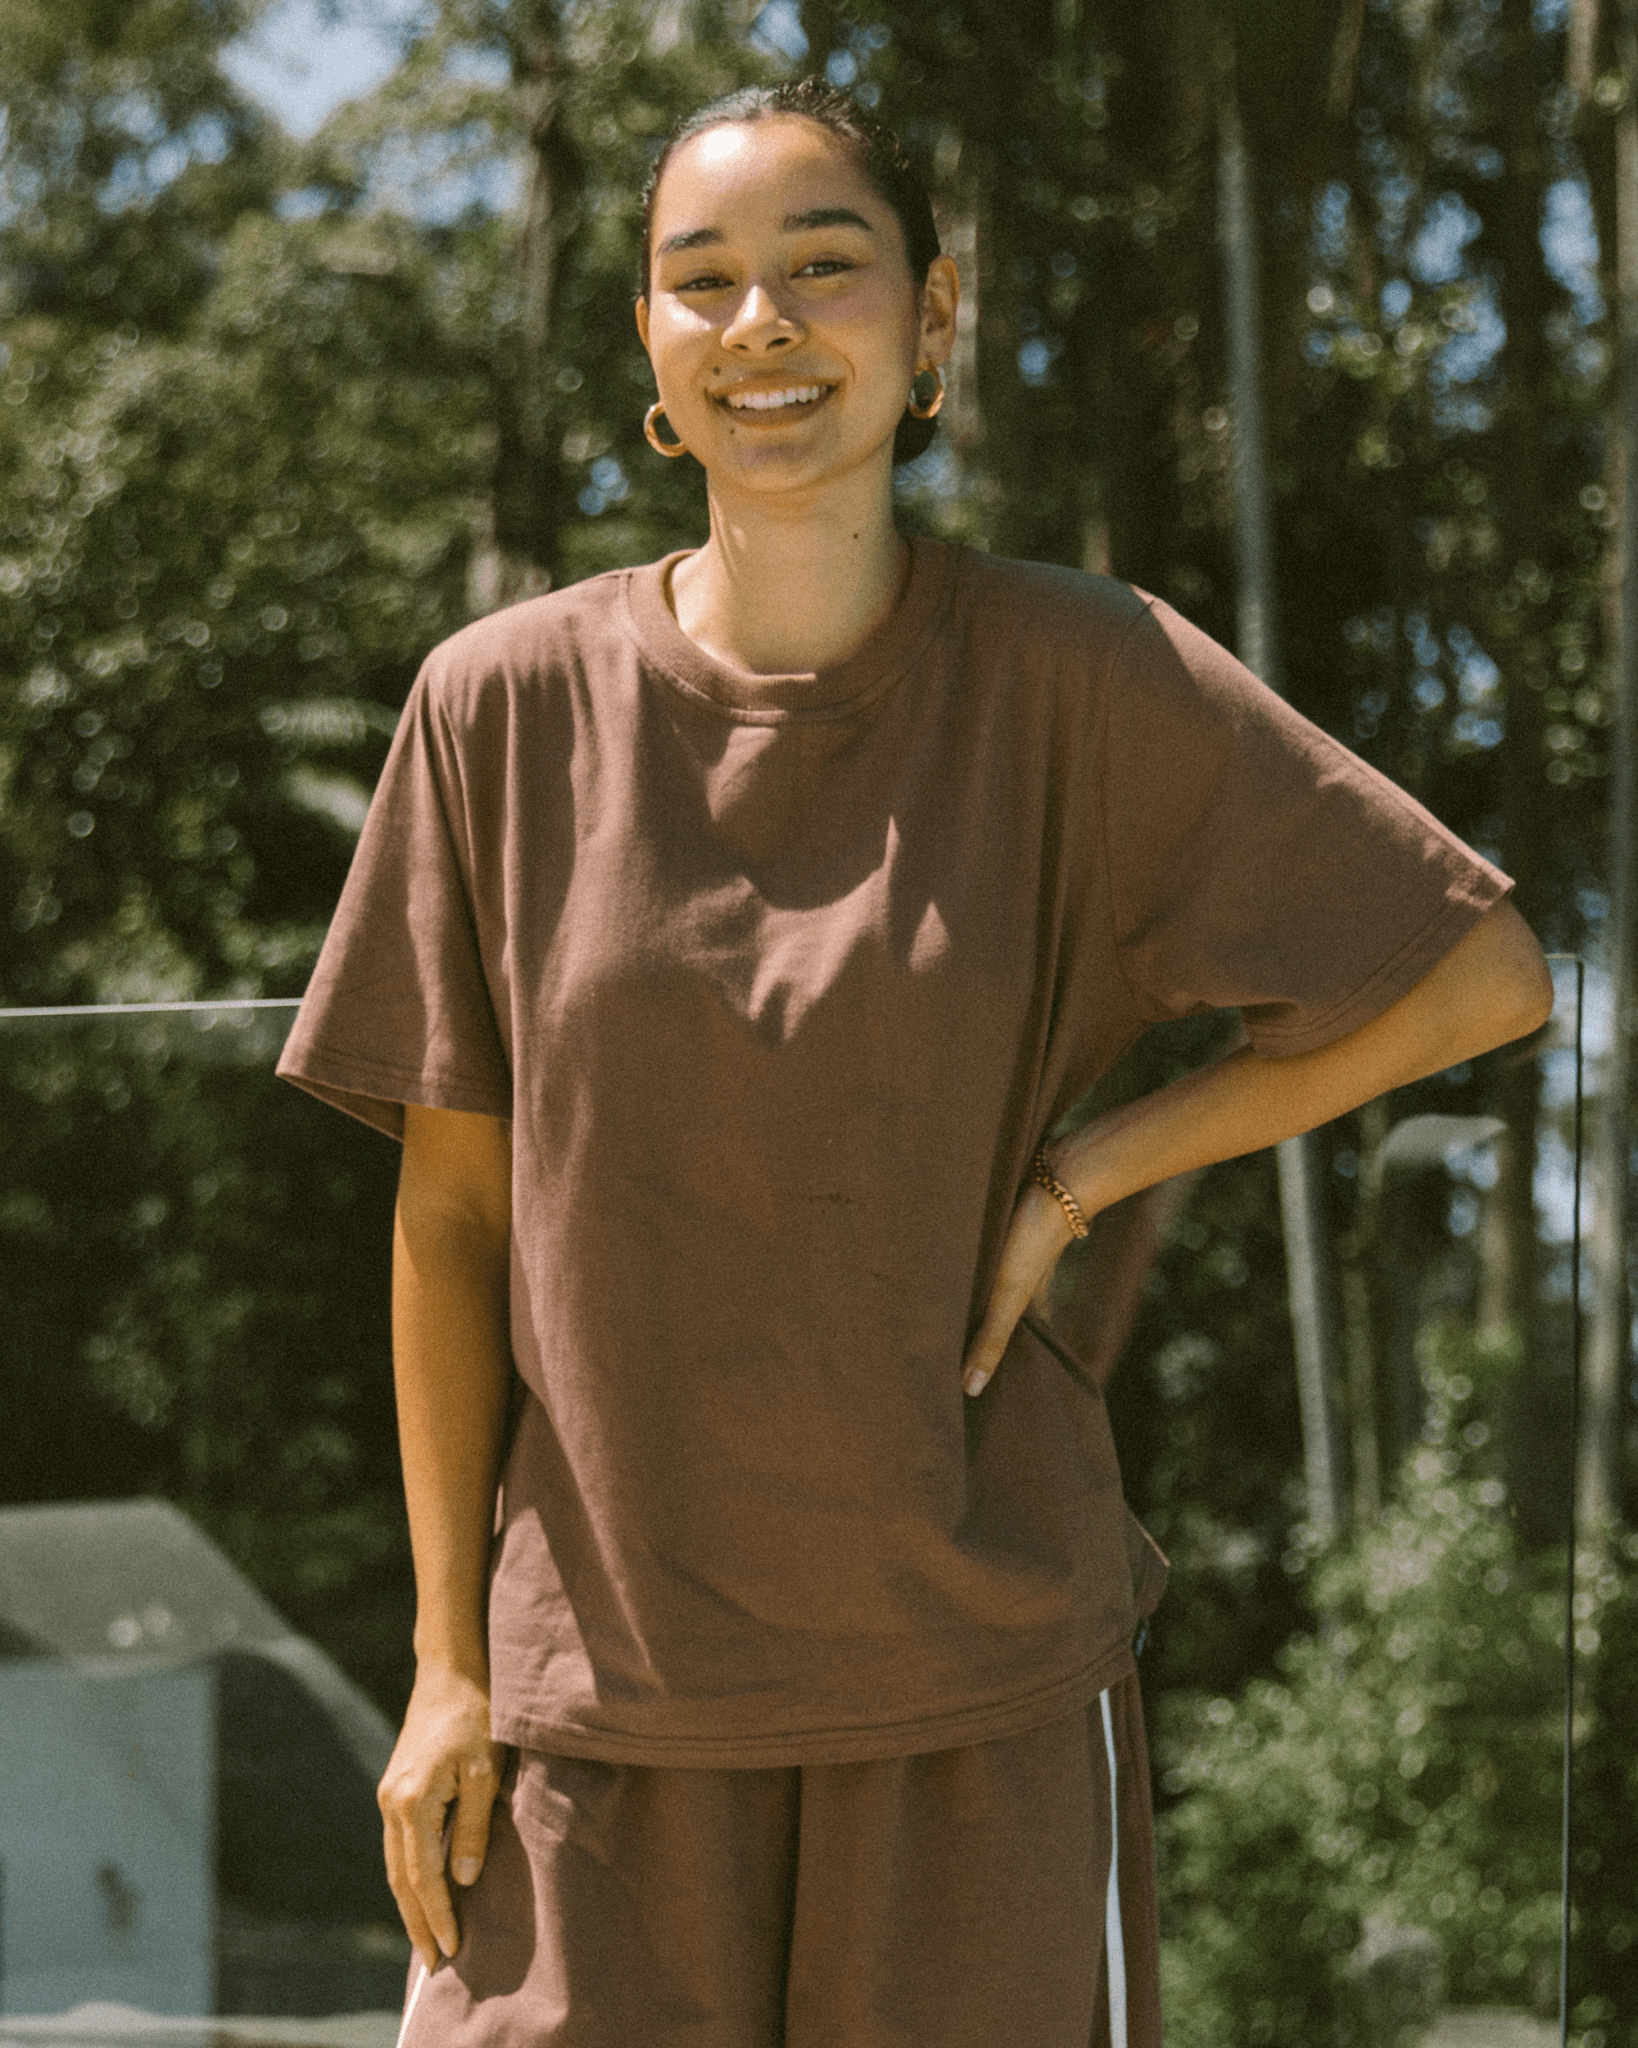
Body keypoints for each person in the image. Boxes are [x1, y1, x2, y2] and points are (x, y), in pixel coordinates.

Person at [277, 75, 1553, 2048]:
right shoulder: (499, 707)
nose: (761, 323)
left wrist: (1082, 1178)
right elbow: (451, 1221)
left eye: (824, 266)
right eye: (703, 278)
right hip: (592, 1706)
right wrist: (447, 1667)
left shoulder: (1081, 673)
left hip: (980, 1702)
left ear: (934, 317)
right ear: (648, 343)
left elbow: (1473, 976)